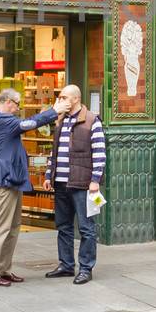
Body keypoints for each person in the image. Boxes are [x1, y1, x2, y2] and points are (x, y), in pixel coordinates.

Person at [0, 88, 58, 287]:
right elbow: (30, 123)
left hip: (11, 180)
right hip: (2, 181)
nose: (17, 108)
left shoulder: (3, 120)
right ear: (7, 101)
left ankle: (3, 269)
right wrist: (54, 110)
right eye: (16, 104)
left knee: (12, 228)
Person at [45, 83, 106, 285]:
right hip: (60, 183)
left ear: (75, 99)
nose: (60, 100)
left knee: (87, 228)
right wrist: (48, 175)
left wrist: (95, 180)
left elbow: (99, 152)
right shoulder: (60, 120)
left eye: (63, 97)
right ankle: (66, 265)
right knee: (63, 226)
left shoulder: (91, 120)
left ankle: (86, 268)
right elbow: (53, 151)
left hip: (82, 184)